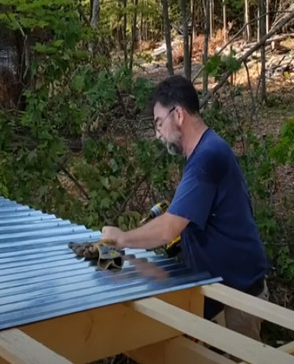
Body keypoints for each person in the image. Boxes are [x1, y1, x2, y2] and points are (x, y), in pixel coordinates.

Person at [101, 74, 270, 341]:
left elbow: (169, 228)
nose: (158, 135)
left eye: (159, 124)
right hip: (219, 288)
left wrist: (121, 238)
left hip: (239, 293)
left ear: (178, 114)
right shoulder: (205, 152)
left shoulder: (207, 157)